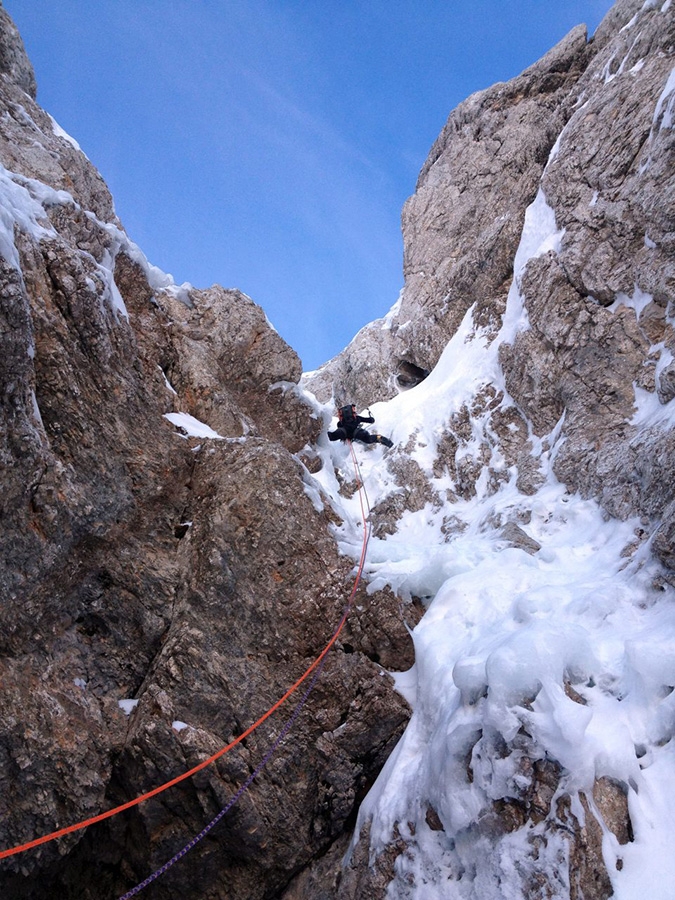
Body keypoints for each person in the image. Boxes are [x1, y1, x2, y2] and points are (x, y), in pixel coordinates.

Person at [328, 403, 393, 448]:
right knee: (369, 439)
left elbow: (339, 425)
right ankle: (384, 440)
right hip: (356, 433)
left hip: (343, 432)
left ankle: (321, 435)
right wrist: (371, 418)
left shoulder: (340, 422)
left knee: (332, 436)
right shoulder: (357, 418)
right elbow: (370, 420)